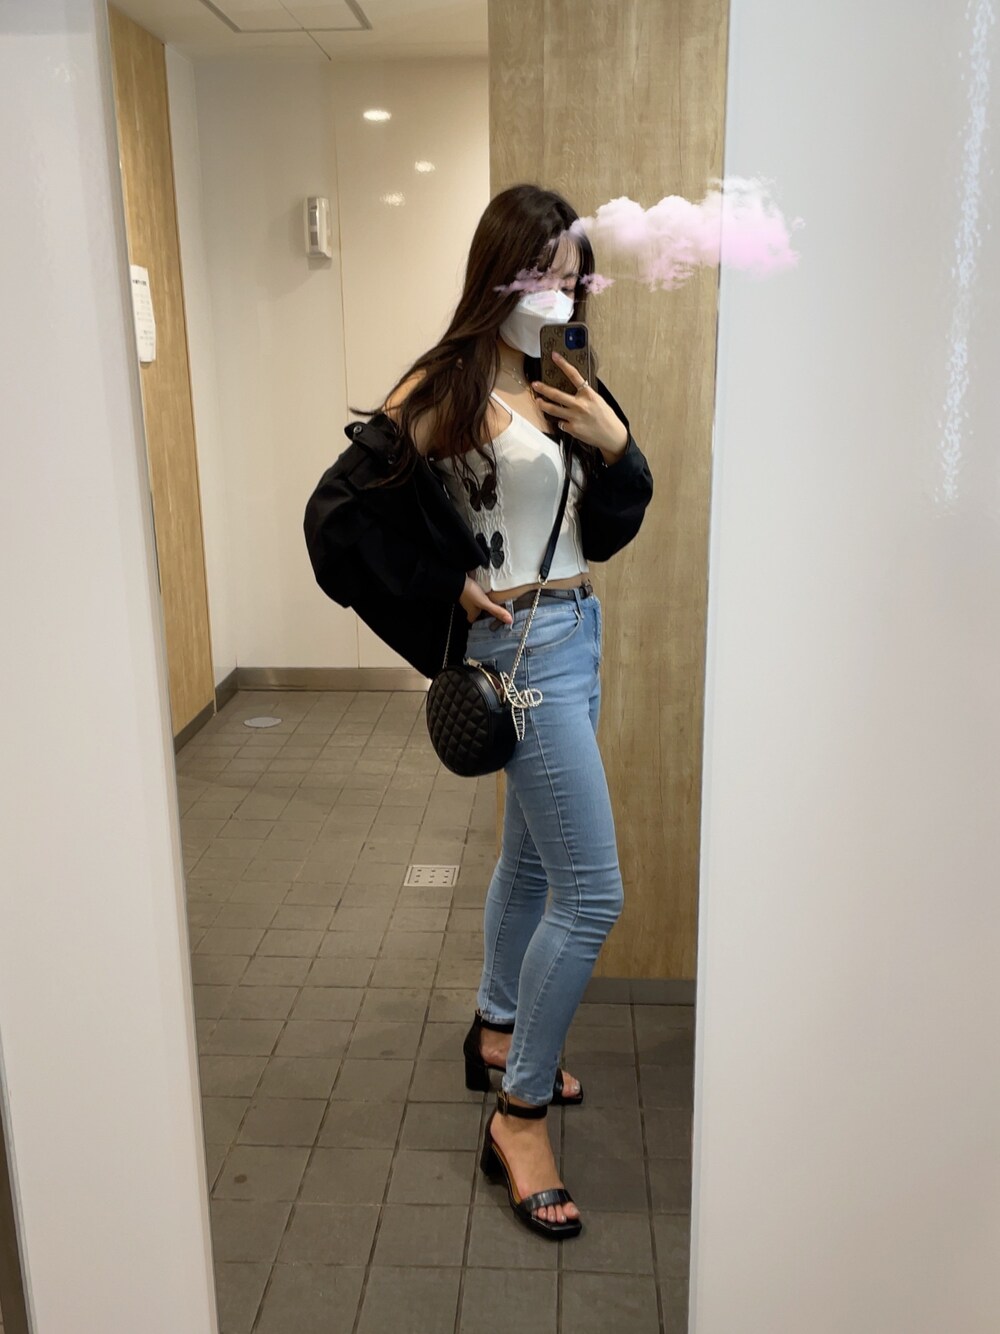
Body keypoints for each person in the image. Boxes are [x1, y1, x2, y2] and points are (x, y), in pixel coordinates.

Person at [303, 184, 653, 1240]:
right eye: (541, 272)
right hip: (520, 646)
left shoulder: (562, 380)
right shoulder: (445, 384)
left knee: (536, 862)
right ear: (497, 272)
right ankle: (519, 1115)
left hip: (579, 631)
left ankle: (498, 1029)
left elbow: (607, 522)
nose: (558, 293)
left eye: (572, 275)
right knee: (591, 892)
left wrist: (614, 442)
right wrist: (443, 585)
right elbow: (337, 516)